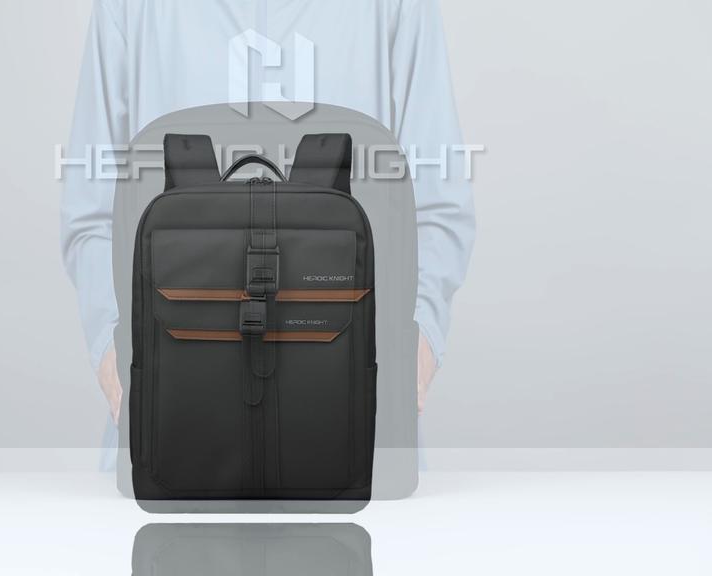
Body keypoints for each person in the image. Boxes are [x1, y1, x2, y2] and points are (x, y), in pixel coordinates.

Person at [62, 0, 475, 429]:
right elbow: (91, 211)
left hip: (352, 406)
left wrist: (412, 355)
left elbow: (438, 202)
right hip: (174, 408)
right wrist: (117, 363)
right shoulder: (130, 9)